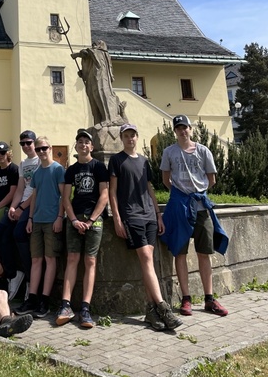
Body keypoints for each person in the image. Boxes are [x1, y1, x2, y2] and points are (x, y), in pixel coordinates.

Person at [109, 124, 182, 331]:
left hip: (149, 215)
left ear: (137, 137)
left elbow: (149, 188)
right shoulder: (116, 160)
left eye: (132, 135)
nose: (130, 138)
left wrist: (158, 214)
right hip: (131, 216)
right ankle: (163, 308)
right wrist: (117, 219)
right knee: (147, 260)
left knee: (147, 262)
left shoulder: (143, 161)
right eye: (126, 135)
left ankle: (151, 311)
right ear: (122, 138)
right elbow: (112, 192)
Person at [160, 115, 229, 317]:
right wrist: (181, 195)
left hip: (200, 207)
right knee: (179, 252)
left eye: (185, 128)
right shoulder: (169, 152)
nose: (183, 131)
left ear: (190, 129)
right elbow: (165, 179)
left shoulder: (203, 151)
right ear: (175, 131)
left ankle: (209, 298)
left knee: (204, 252)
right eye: (179, 128)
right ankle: (186, 298)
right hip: (179, 207)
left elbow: (211, 180)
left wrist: (196, 193)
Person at [56, 129, 109, 329]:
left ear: (91, 147)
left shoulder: (99, 167)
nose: (83, 145)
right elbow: (66, 198)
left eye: (87, 142)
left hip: (94, 220)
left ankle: (85, 308)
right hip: (75, 217)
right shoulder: (71, 170)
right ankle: (65, 305)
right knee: (72, 259)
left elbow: (104, 195)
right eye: (80, 142)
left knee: (90, 261)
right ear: (76, 146)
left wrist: (91, 220)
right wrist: (72, 220)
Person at [17, 136, 65, 318]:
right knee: (36, 260)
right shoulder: (37, 173)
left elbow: (64, 196)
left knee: (50, 259)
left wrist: (60, 217)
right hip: (37, 220)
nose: (41, 151)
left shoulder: (58, 169)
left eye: (44, 148)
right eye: (38, 149)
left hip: (52, 220)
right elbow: (34, 197)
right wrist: (30, 218)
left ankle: (45, 300)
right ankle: (32, 298)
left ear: (50, 148)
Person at [0, 130, 39, 300]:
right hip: (20, 204)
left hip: (33, 204)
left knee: (18, 233)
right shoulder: (23, 164)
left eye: (29, 143)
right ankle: (13, 274)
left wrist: (22, 208)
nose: (26, 146)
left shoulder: (40, 161)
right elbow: (20, 189)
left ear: (34, 143)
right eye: (22, 144)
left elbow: (37, 190)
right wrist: (13, 208)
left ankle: (30, 279)